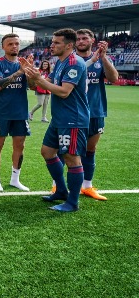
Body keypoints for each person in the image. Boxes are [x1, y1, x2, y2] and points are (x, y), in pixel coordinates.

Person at [21, 28, 89, 212]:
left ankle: (72, 202)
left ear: (68, 45)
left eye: (56, 42)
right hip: (59, 118)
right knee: (47, 152)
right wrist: (31, 75)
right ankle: (61, 190)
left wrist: (39, 80)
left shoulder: (75, 63)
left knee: (72, 158)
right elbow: (43, 83)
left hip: (73, 119)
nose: (52, 45)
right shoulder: (59, 62)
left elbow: (64, 91)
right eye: (52, 42)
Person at [74, 29, 118, 201]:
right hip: (75, 112)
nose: (81, 41)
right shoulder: (71, 60)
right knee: (68, 150)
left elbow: (114, 78)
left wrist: (104, 57)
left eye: (85, 38)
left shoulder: (100, 60)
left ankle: (87, 186)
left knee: (90, 150)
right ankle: (59, 185)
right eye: (78, 39)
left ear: (92, 40)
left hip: (96, 111)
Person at [0, 33, 32, 192]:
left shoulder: (24, 64)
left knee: (20, 145)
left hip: (20, 113)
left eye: (17, 44)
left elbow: (33, 86)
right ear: (3, 47)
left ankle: (15, 179)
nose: (14, 46)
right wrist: (20, 72)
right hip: (2, 112)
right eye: (10, 44)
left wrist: (30, 72)